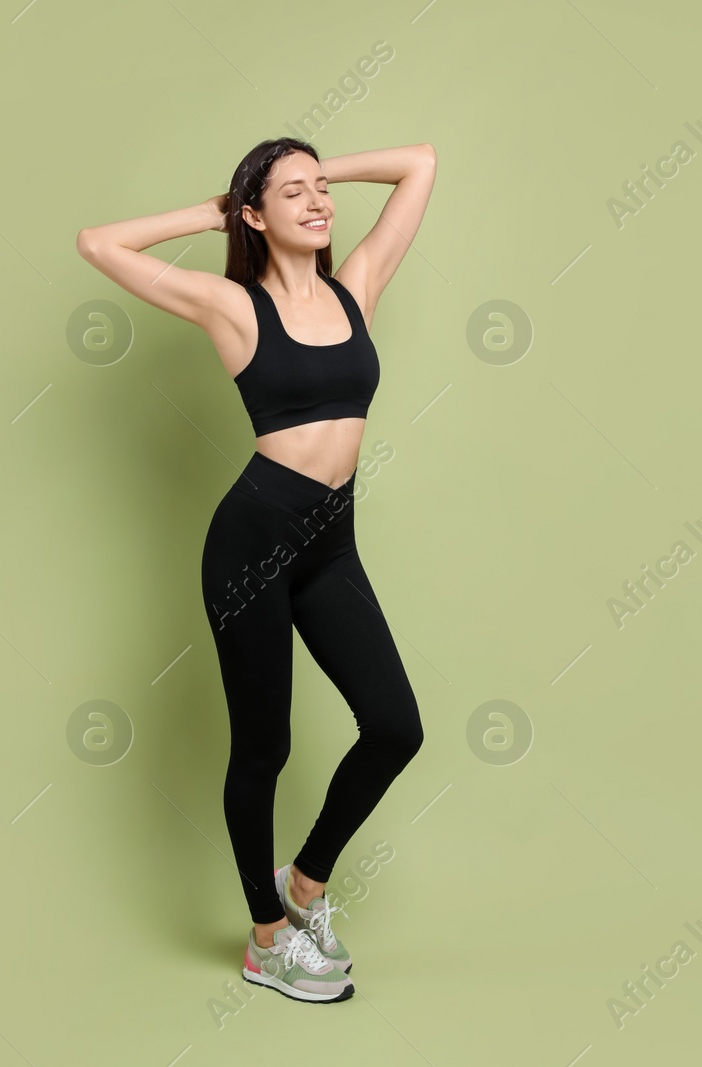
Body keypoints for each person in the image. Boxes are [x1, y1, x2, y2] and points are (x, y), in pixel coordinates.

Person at [77, 139, 437, 1004]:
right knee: (264, 744)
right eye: (293, 193)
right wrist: (217, 207)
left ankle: (305, 884)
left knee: (396, 727)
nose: (318, 202)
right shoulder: (232, 307)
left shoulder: (358, 286)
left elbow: (420, 163)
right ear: (255, 213)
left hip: (330, 543)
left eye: (323, 190)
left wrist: (313, 169)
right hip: (253, 541)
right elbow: (99, 243)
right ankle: (266, 937)